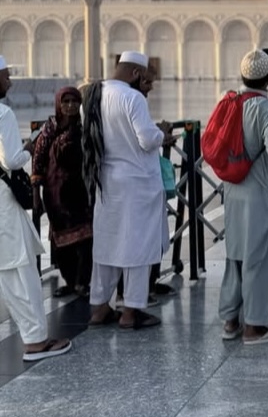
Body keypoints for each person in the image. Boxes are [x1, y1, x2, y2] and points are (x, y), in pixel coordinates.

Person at [83, 51, 170, 329]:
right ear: (135, 73)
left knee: (107, 244)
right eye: (144, 78)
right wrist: (163, 135)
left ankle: (99, 307)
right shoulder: (132, 98)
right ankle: (131, 312)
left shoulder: (93, 95)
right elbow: (146, 140)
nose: (145, 84)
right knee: (137, 247)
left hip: (107, 182)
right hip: (136, 184)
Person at [220, 49, 268, 344]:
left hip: (234, 190)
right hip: (262, 193)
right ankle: (255, 326)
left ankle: (230, 319)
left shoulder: (229, 104)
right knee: (260, 258)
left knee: (235, 255)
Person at [0, 55, 72, 360]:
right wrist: (31, 144)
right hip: (3, 203)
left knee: (9, 269)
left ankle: (34, 336)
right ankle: (36, 341)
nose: (10, 82)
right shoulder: (2, 113)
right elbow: (11, 160)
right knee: (21, 268)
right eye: (5, 76)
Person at [31, 87, 93, 298]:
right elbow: (38, 161)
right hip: (56, 195)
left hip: (80, 193)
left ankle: (82, 282)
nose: (70, 105)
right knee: (62, 242)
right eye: (65, 101)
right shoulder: (50, 129)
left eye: (74, 101)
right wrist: (35, 195)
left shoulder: (84, 128)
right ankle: (70, 281)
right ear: (58, 103)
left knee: (86, 239)